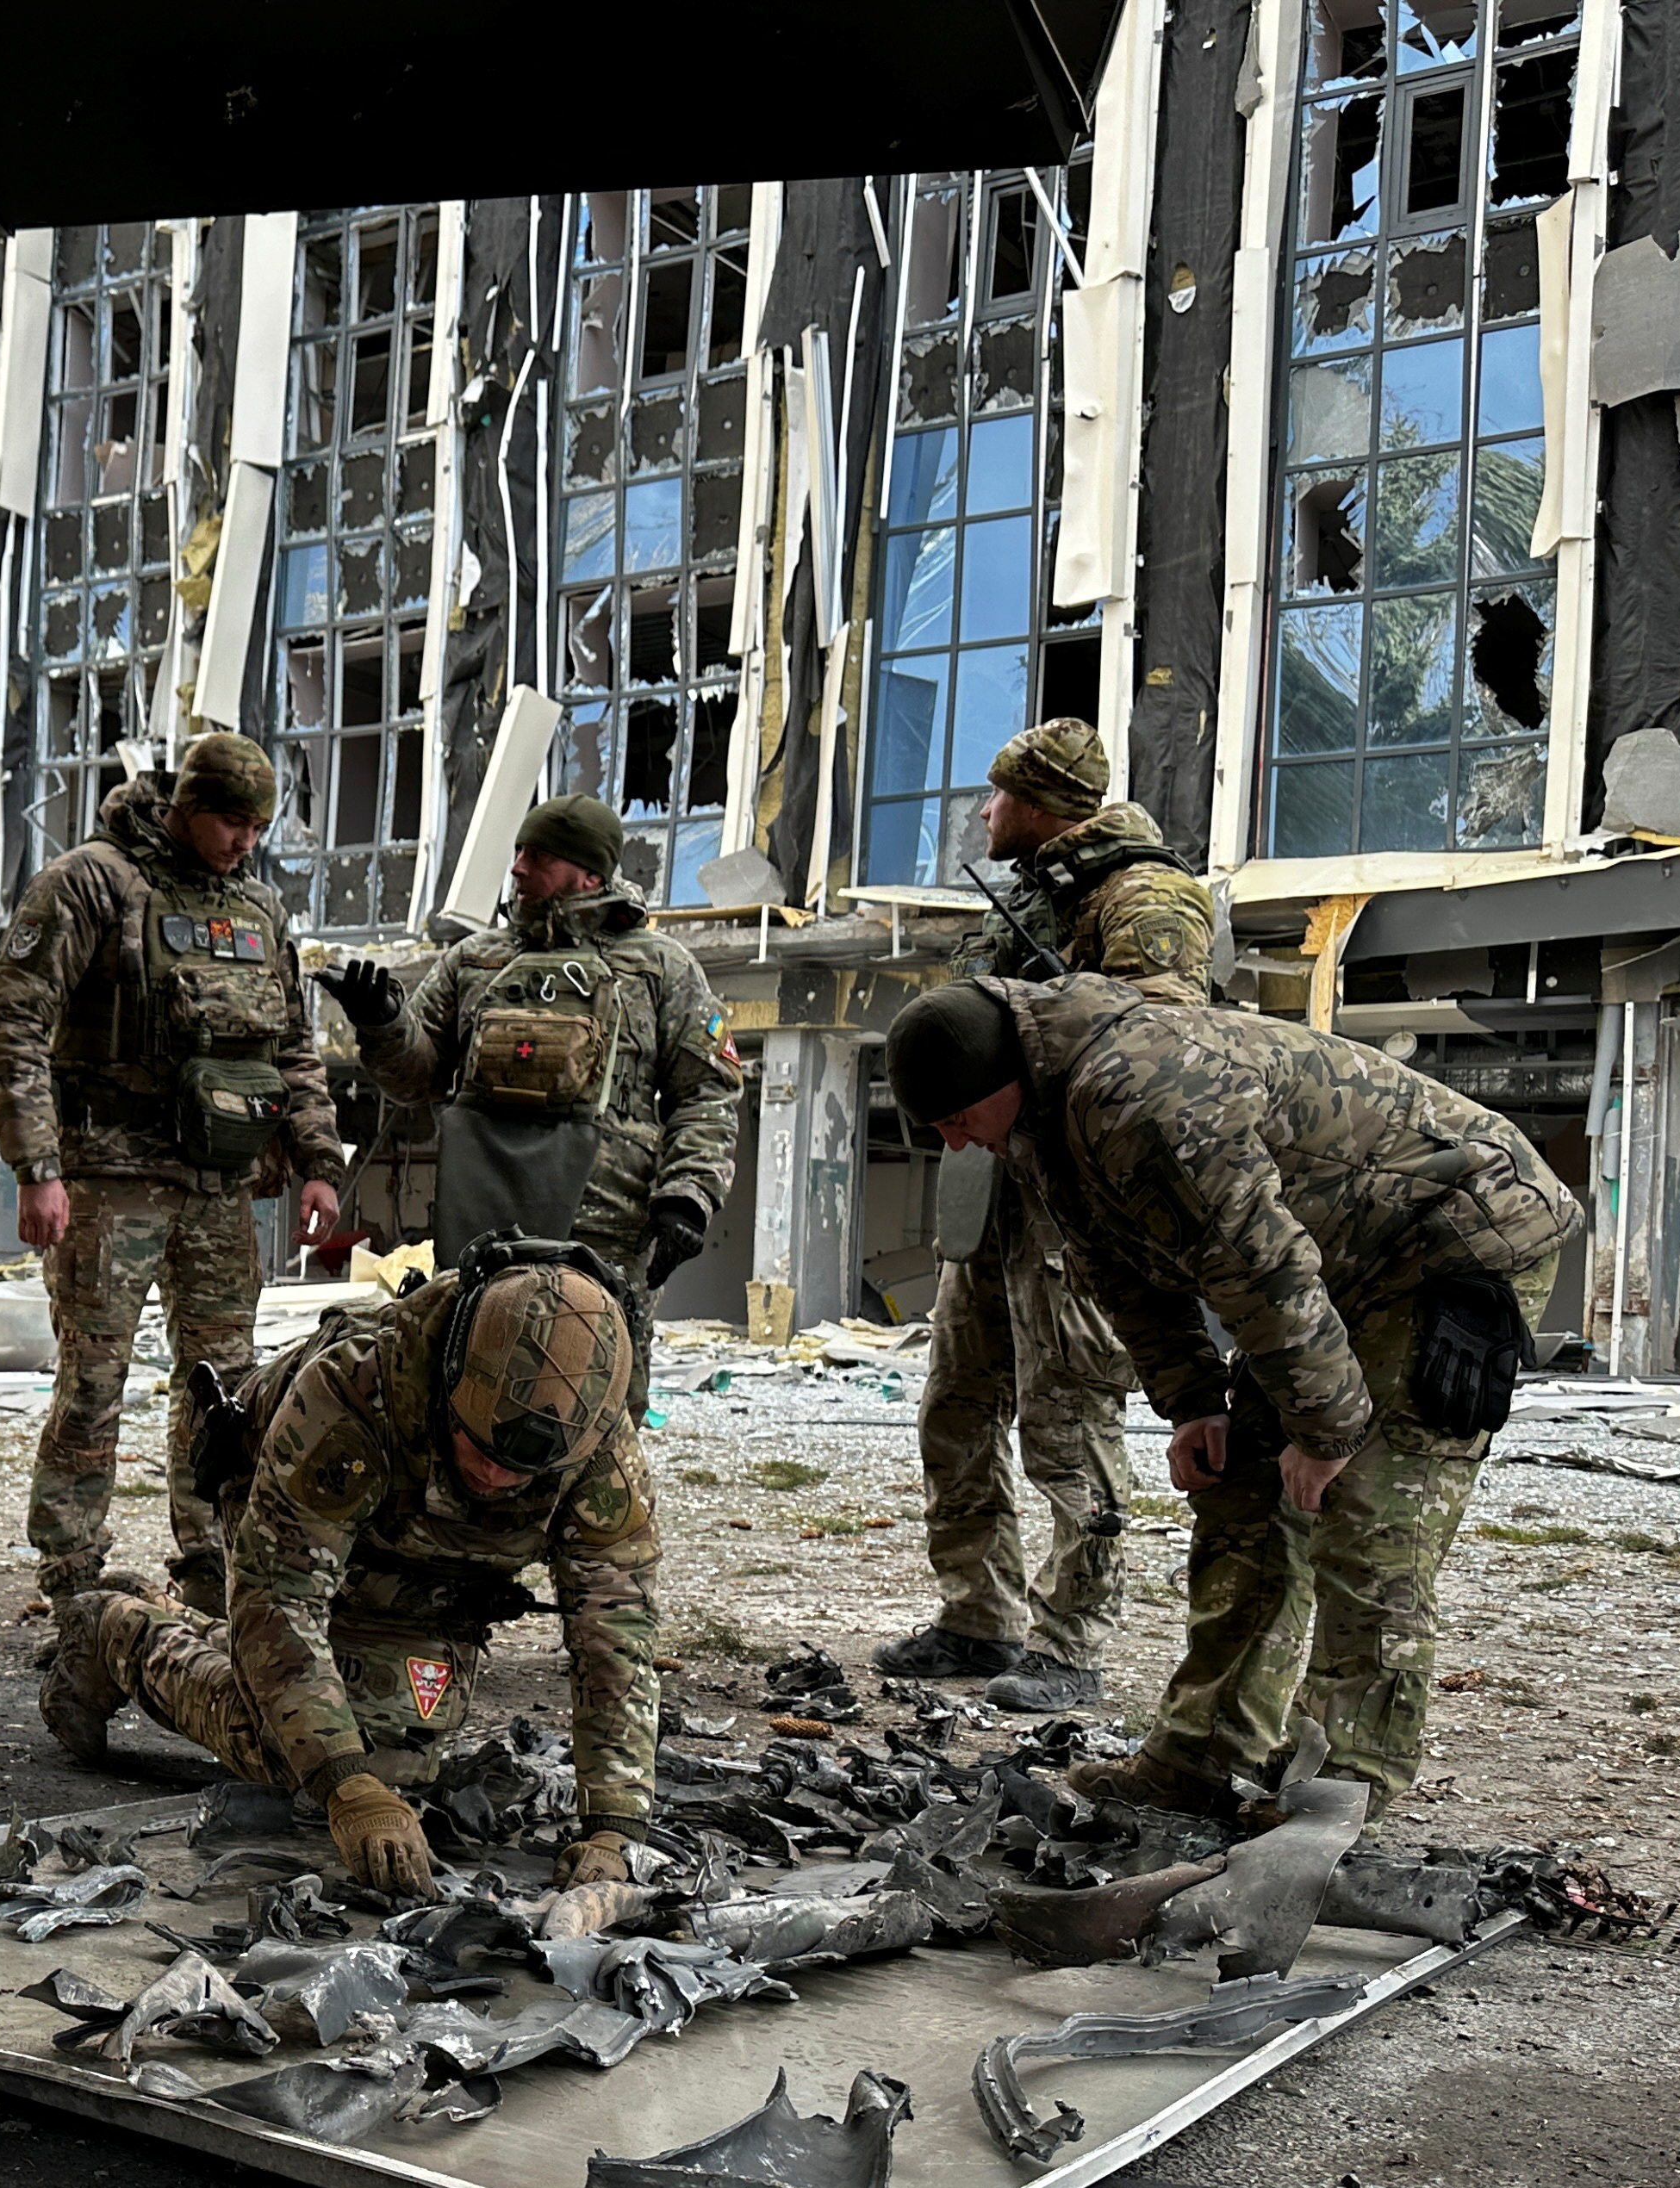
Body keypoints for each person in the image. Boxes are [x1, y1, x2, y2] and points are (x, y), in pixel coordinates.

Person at [880, 976, 1577, 1820]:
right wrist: (1196, 1405)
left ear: (1004, 1079)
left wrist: (1327, 1433)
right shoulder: (1039, 1118)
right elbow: (1121, 1271)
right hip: (1328, 1259)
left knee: (1369, 1523)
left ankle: (1343, 1789)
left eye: (958, 1118)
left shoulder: (1142, 1093)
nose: (956, 1141)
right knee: (1241, 1497)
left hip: (1447, 1236)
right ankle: (1205, 1758)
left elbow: (1260, 1269)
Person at [36, 1239, 659, 1898]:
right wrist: (344, 1783)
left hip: (435, 1577)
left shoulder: (601, 1459)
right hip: (291, 1525)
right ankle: (119, 1632)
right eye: (479, 1446)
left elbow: (616, 1635)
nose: (496, 1475)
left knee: (403, 1755)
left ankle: (186, 1630)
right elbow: (279, 1597)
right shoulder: (354, 1392)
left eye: (521, 1469)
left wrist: (615, 1826)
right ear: (452, 1379)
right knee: (299, 1757)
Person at [880, 718, 1216, 1713]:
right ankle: (978, 1618)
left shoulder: (1148, 897)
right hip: (992, 1189)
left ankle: (1072, 1640)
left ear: (1041, 801)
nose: (984, 812)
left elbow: (1164, 1045)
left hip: (1074, 1202)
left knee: (1068, 1418)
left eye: (996, 794)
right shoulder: (1030, 894)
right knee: (958, 1407)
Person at [0, 737, 347, 1616]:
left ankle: (213, 1567)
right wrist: (38, 1167)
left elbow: (293, 1046)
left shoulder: (258, 907)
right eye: (229, 820)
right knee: (92, 1379)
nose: (244, 841)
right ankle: (71, 1576)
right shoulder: (91, 883)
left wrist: (319, 1164)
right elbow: (15, 1023)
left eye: (258, 825)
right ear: (185, 803)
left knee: (223, 1381)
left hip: (221, 1185)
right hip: (109, 1179)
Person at [328, 795, 741, 1413]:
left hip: (603, 1228)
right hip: (484, 1217)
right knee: (475, 1388)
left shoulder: (659, 968)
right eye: (519, 852)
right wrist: (384, 1026)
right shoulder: (475, 961)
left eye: (539, 856)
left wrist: (688, 1195)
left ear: (591, 875)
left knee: (596, 1400)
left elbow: (706, 1092)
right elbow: (415, 1079)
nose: (518, 867)